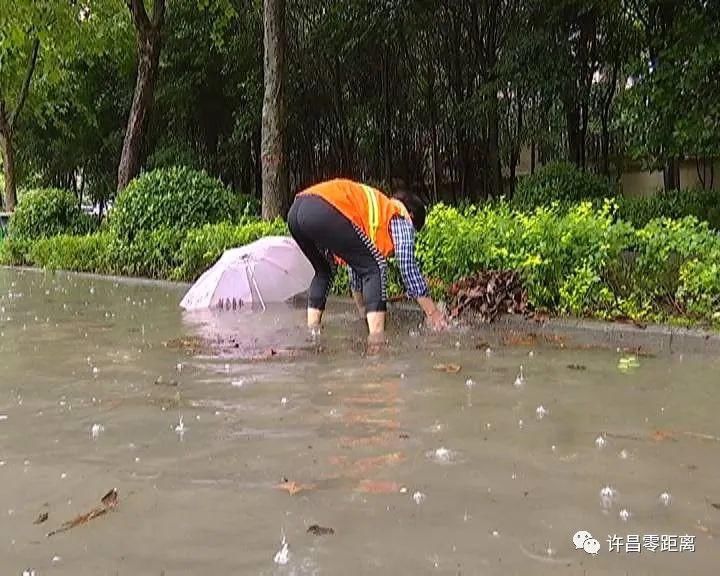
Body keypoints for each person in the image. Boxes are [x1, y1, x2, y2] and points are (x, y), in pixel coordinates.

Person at [287, 178, 448, 342]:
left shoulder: (373, 214)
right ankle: (377, 344)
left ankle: (312, 334)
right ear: (411, 216)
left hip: (296, 212)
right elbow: (408, 268)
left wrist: (363, 313)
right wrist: (434, 314)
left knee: (324, 272)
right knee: (377, 266)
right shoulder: (399, 215)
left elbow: (356, 269)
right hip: (322, 208)